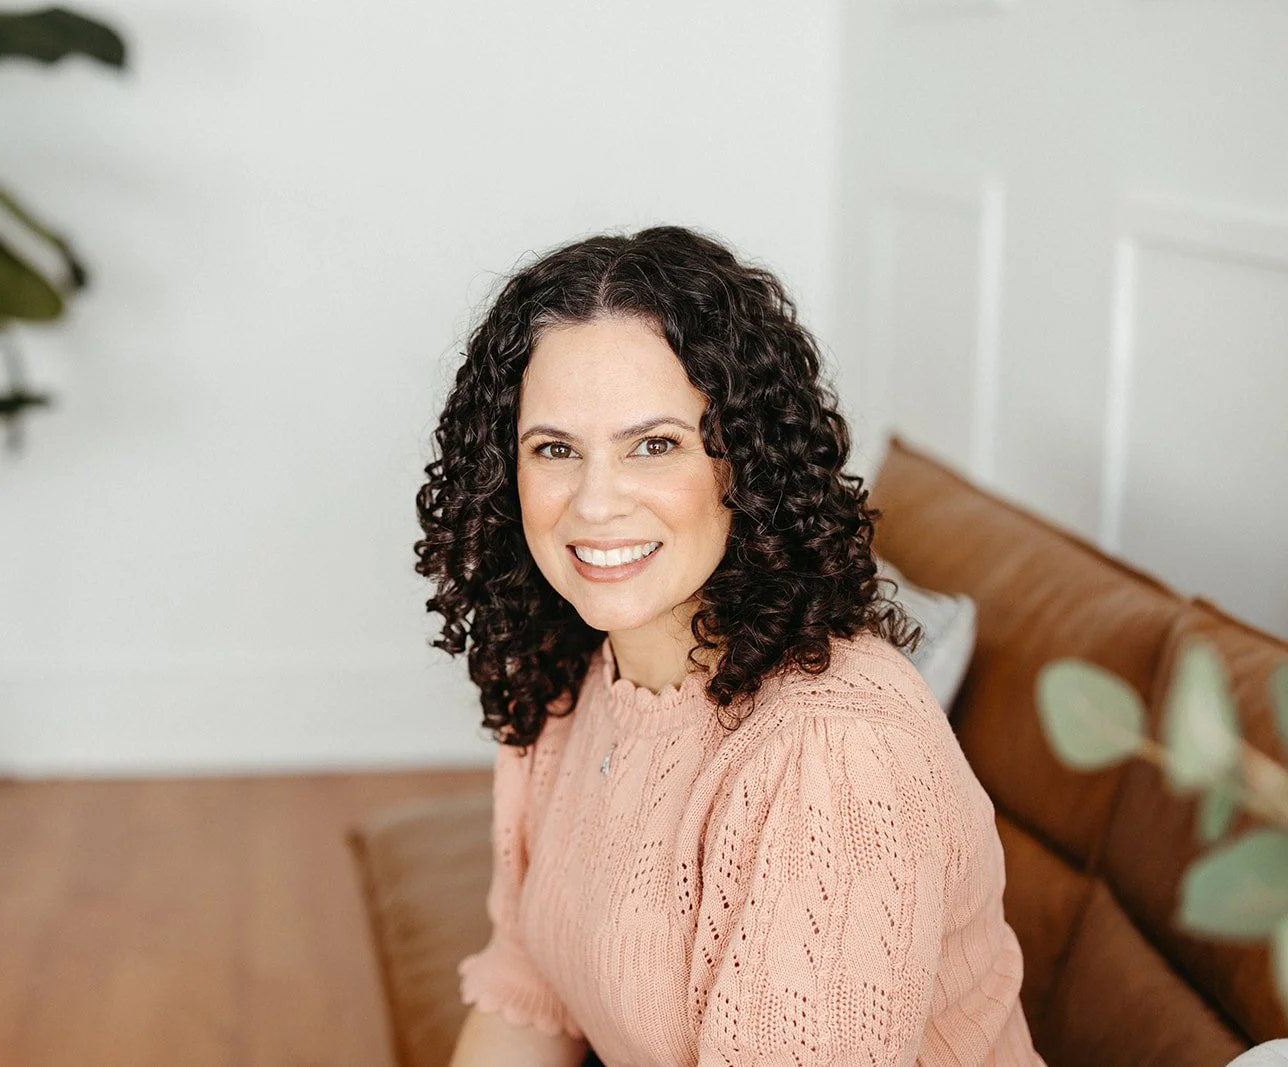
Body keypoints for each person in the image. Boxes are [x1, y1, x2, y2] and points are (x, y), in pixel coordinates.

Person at [412, 226, 1046, 1066]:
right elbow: (528, 994)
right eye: (556, 449)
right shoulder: (566, 676)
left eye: (655, 444)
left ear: (742, 462)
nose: (594, 504)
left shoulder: (834, 753)